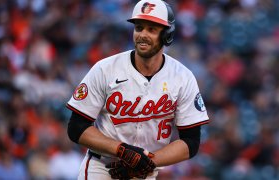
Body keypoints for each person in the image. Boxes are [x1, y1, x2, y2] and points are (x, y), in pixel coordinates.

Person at [66, 0, 209, 179]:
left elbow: (191, 141)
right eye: (139, 28)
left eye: (151, 29)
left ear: (167, 35)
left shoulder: (182, 77)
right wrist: (122, 150)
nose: (142, 34)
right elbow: (76, 127)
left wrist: (147, 162)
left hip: (145, 170)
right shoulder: (105, 69)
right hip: (102, 166)